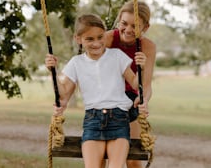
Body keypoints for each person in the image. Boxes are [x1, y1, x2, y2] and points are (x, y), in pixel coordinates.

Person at [45, 14, 147, 168]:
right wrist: (52, 71)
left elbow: (134, 82)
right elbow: (63, 93)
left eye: (100, 37)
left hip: (119, 120)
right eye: (90, 39)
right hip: (93, 121)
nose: (97, 43)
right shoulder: (76, 63)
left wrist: (141, 67)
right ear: (78, 39)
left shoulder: (117, 56)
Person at [105, 1, 156, 168]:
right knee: (108, 155)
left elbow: (146, 85)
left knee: (133, 158)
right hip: (106, 97)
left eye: (135, 26)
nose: (127, 30)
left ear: (145, 27)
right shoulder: (108, 39)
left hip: (130, 98)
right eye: (124, 23)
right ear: (119, 20)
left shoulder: (147, 47)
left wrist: (144, 99)